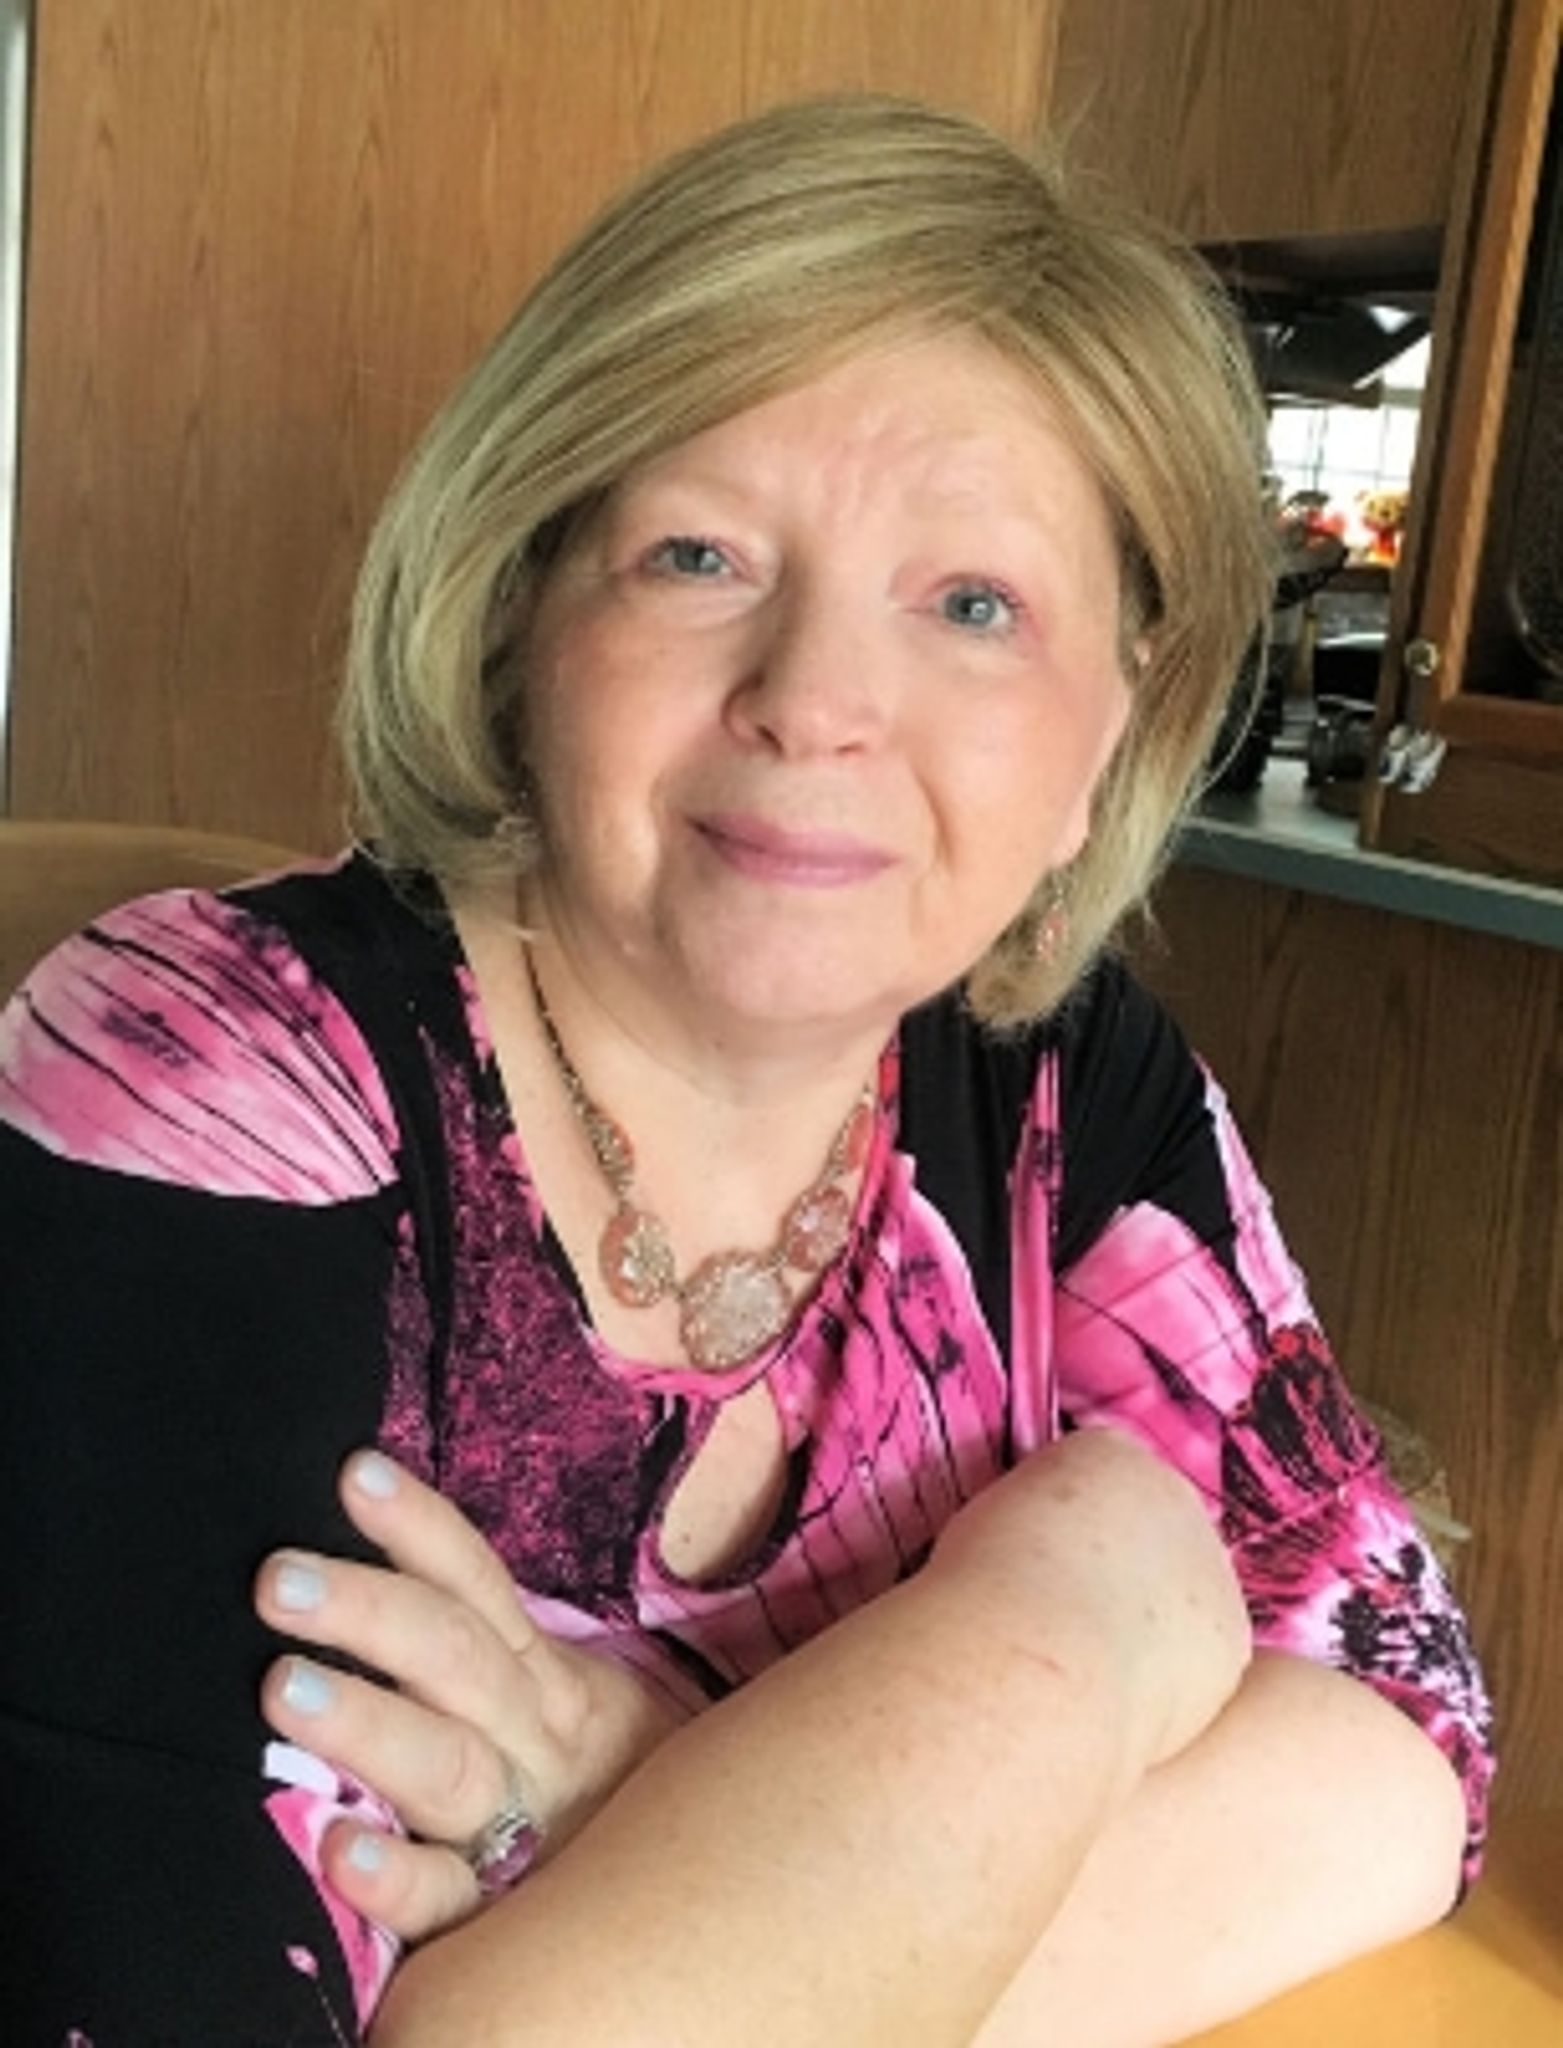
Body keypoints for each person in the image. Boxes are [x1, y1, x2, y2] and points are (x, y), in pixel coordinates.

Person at [0, 95, 1491, 2046]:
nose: (816, 700)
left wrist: (682, 1796)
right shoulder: (214, 1075)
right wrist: (1098, 1618)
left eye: (973, 604)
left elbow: (1399, 1746)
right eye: (697, 554)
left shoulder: (1055, 1085)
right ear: (519, 610)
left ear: (1107, 743)